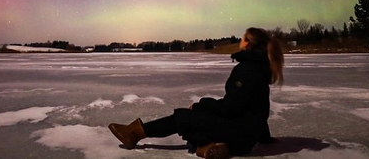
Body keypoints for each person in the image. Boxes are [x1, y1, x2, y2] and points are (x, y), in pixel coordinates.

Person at [108, 27, 284, 159]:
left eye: (243, 38)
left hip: (239, 135)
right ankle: (211, 147)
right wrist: (263, 137)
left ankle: (134, 134)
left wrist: (202, 104)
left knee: (184, 118)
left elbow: (232, 107)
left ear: (248, 43)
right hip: (246, 138)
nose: (240, 40)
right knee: (198, 117)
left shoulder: (247, 69)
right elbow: (258, 106)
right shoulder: (260, 68)